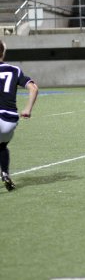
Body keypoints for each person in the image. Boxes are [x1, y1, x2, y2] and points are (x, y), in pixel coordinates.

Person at [0, 39, 39, 191]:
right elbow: (34, 89)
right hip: (9, 121)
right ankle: (4, 173)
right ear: (4, 52)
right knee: (2, 146)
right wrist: (27, 110)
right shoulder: (14, 70)